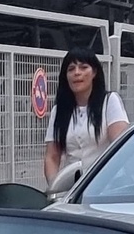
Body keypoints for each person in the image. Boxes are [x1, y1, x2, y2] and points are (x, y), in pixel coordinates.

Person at [43, 50, 128, 185]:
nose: (77, 73)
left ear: (94, 72)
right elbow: (52, 156)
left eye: (83, 67)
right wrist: (55, 187)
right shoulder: (58, 111)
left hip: (109, 183)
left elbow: (119, 147)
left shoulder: (110, 101)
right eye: (71, 69)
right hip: (73, 187)